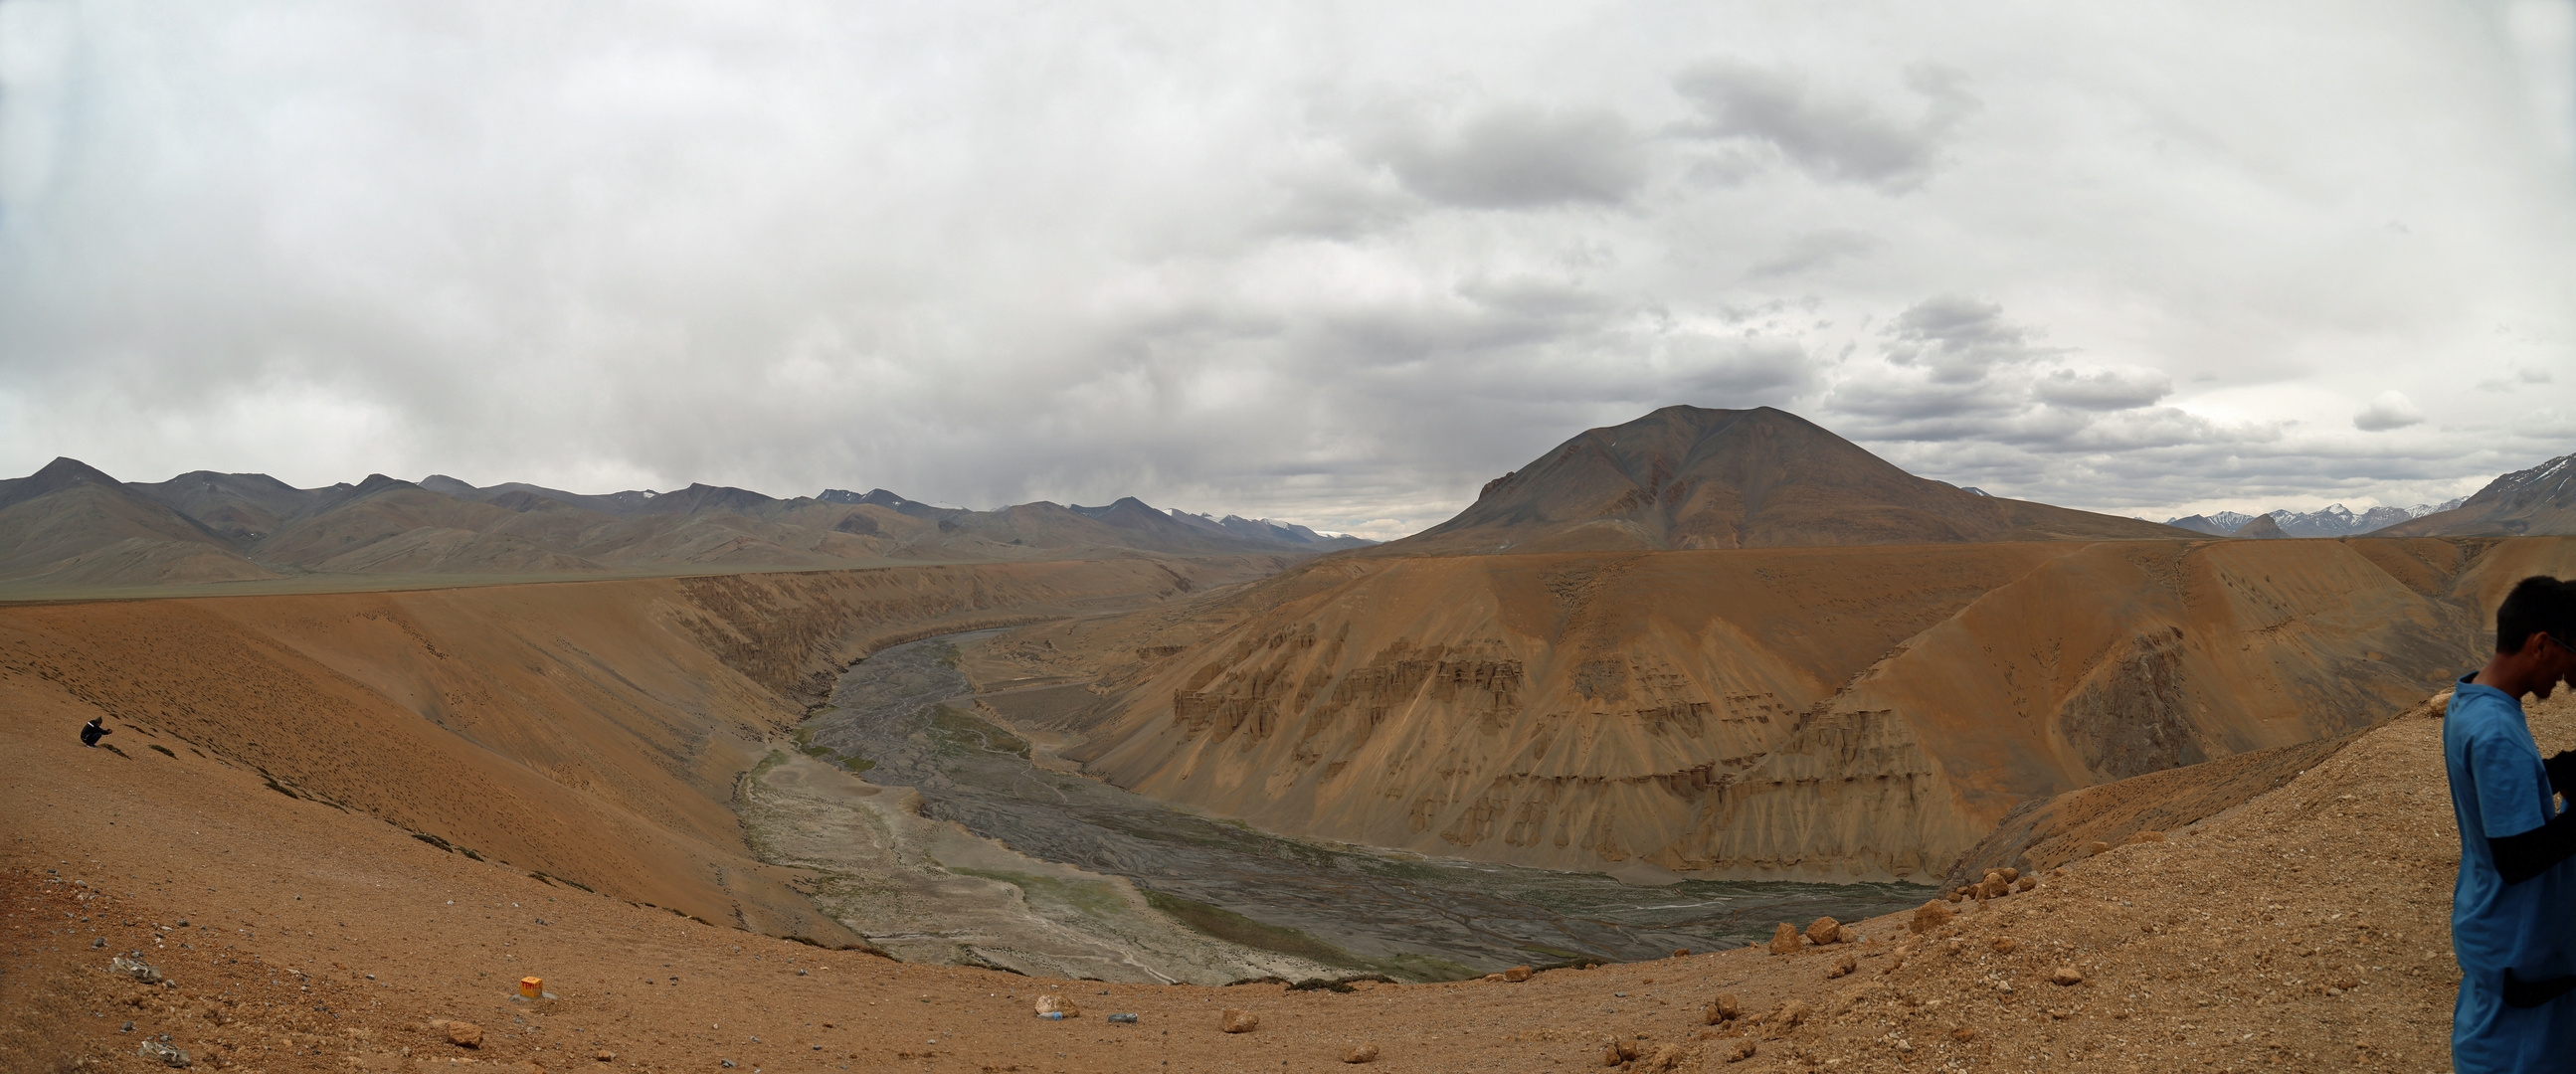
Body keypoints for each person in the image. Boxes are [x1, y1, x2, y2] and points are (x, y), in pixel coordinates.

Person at [2447, 575, 2576, 1071]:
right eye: (2569, 653)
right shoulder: (2498, 730)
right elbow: (2518, 857)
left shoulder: (2474, 700)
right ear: (2540, 645)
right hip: (2514, 935)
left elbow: (2500, 788)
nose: (2567, 676)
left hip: (2492, 923)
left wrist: (2560, 768)